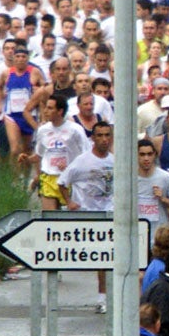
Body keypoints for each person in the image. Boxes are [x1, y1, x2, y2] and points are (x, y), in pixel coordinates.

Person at [59, 121, 116, 312]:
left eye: (107, 135)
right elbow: (62, 182)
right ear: (93, 138)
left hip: (109, 213)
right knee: (98, 258)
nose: (104, 139)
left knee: (107, 258)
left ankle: (107, 297)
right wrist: (69, 202)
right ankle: (103, 297)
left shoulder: (115, 161)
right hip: (88, 216)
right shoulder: (82, 161)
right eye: (99, 135)